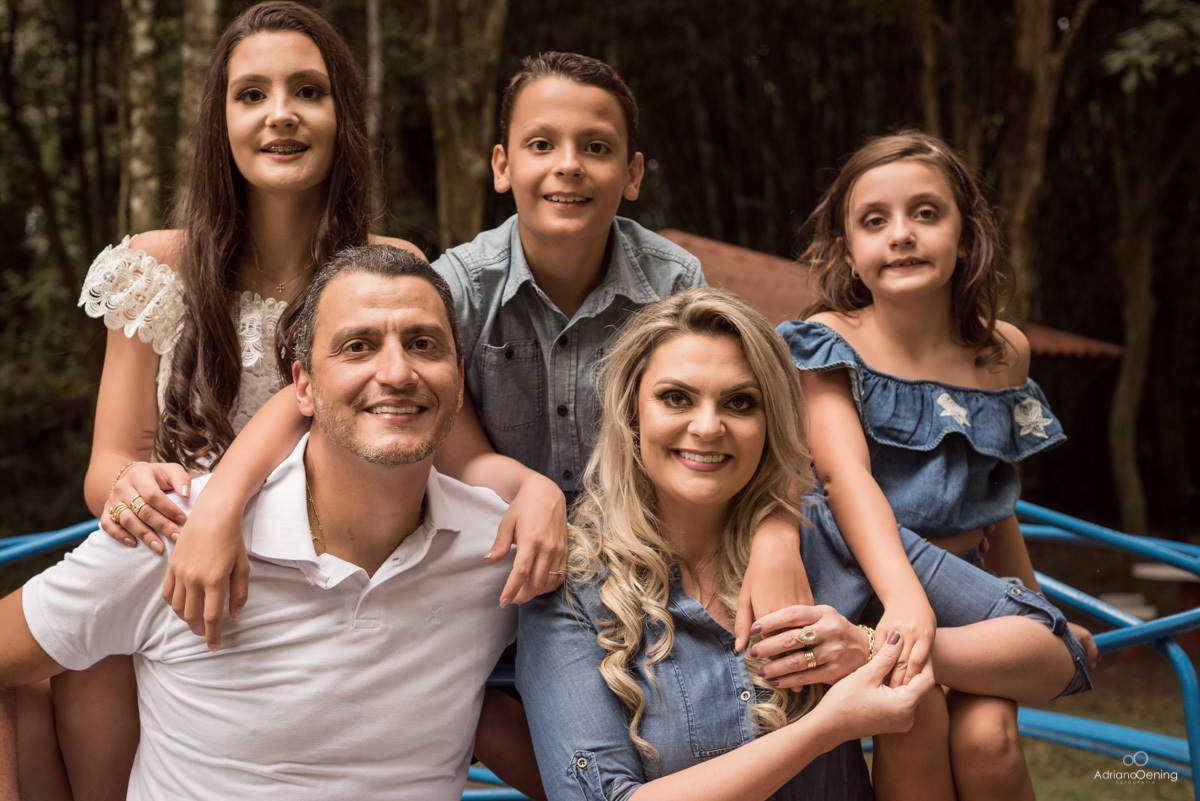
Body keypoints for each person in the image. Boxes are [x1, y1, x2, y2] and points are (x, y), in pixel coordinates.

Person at [36, 3, 553, 797]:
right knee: (75, 665)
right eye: (251, 95)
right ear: (220, 120)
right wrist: (148, 495)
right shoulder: (154, 265)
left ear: (342, 114)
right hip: (182, 568)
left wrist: (538, 488)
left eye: (308, 91)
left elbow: (457, 450)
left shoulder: (384, 274)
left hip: (333, 570)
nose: (281, 114)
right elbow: (111, 458)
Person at [162, 51, 805, 647]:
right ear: (502, 165)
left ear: (632, 173)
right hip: (500, 575)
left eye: (597, 147)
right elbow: (414, 440)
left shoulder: (672, 284)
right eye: (541, 144)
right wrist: (219, 499)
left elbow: (755, 424)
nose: (568, 163)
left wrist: (777, 533)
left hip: (648, 568)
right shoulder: (461, 288)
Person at [517, 287, 1090, 801]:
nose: (709, 426)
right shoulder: (571, 585)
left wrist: (870, 648)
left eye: (741, 402)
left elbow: (1057, 653)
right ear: (631, 415)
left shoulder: (826, 538)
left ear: (771, 423)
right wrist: (825, 727)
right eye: (676, 398)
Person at [2, 246, 528, 801]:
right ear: (303, 386)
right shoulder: (174, 534)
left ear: (458, 375)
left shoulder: (501, 551)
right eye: (358, 347)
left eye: (423, 345)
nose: (397, 372)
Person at [776, 130, 1096, 800]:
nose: (901, 233)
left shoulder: (1002, 351)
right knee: (914, 720)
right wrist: (905, 604)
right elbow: (844, 479)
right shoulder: (827, 342)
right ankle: (880, 646)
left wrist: (1027, 606)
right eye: (875, 220)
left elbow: (994, 498)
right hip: (869, 581)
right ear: (848, 251)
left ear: (966, 234)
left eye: (926, 213)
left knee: (990, 740)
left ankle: (955, 646)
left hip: (964, 591)